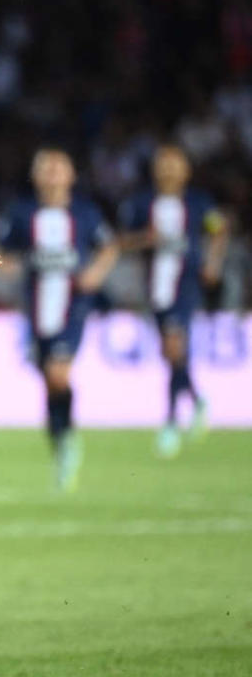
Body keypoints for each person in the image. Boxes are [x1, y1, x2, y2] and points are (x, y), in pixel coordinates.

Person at [0, 148, 120, 491]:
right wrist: (7, 267)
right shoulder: (20, 213)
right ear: (34, 176)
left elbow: (109, 246)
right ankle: (61, 440)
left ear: (71, 175)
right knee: (49, 380)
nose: (51, 174)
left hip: (73, 305)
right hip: (35, 309)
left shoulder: (85, 213)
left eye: (58, 168)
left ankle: (68, 438)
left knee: (59, 373)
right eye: (44, 168)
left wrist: (95, 274)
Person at [118, 145, 228, 457]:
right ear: (155, 170)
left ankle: (169, 423)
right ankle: (195, 399)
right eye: (163, 165)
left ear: (186, 170)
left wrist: (213, 262)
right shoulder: (141, 203)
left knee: (174, 347)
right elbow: (121, 241)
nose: (168, 170)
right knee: (172, 354)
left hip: (186, 285)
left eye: (174, 165)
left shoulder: (198, 202)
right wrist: (145, 239)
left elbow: (219, 229)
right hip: (156, 288)